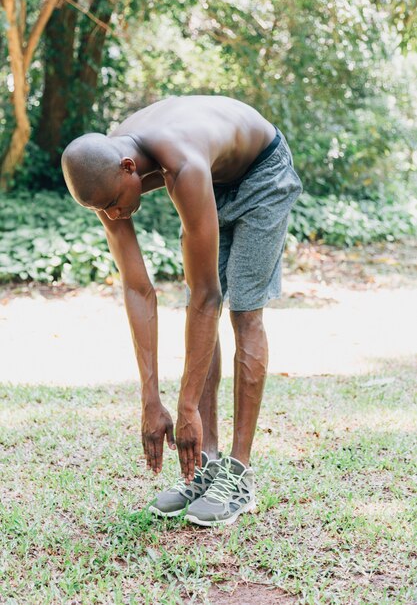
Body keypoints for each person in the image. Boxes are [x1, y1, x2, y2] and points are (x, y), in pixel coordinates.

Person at [61, 95, 302, 527]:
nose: (114, 215)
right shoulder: (104, 171)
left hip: (261, 172)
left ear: (129, 169)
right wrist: (151, 399)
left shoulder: (182, 164)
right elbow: (138, 289)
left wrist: (186, 405)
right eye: (103, 210)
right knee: (196, 308)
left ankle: (238, 475)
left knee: (242, 310)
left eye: (114, 203)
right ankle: (205, 465)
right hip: (215, 175)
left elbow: (209, 294)